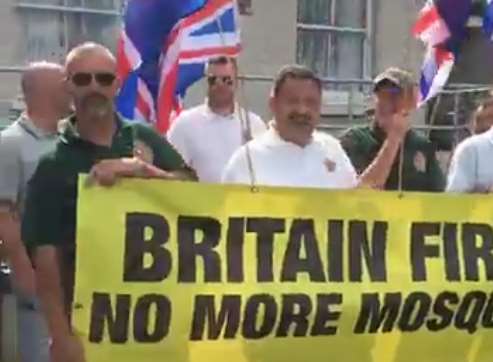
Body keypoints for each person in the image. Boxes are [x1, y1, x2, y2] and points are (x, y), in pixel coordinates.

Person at [21, 42, 196, 362]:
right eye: (82, 79)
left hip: (161, 322)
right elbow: (46, 262)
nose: (94, 88)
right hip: (91, 327)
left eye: (103, 79)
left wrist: (142, 171)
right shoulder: (52, 165)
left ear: (117, 85)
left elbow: (194, 195)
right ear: (68, 86)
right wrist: (61, 337)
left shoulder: (146, 139)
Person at [221, 65, 403, 189]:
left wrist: (393, 139)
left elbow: (360, 201)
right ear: (273, 104)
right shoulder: (246, 160)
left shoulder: (332, 148)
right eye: (292, 101)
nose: (302, 110)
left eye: (310, 102)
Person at [0, 61, 71, 362]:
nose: (72, 88)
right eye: (65, 82)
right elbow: (4, 214)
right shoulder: (10, 144)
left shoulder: (68, 142)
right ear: (44, 90)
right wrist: (23, 272)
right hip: (37, 280)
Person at [340, 67, 445, 191]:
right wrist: (394, 139)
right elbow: (362, 190)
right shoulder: (355, 139)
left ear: (411, 103)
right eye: (381, 95)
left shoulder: (422, 146)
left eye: (394, 95)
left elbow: (441, 195)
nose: (385, 103)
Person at [167, 56, 266, 183]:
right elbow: (170, 170)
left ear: (236, 81)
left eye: (226, 80)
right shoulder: (184, 124)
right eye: (213, 80)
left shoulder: (254, 124)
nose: (220, 85)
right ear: (206, 82)